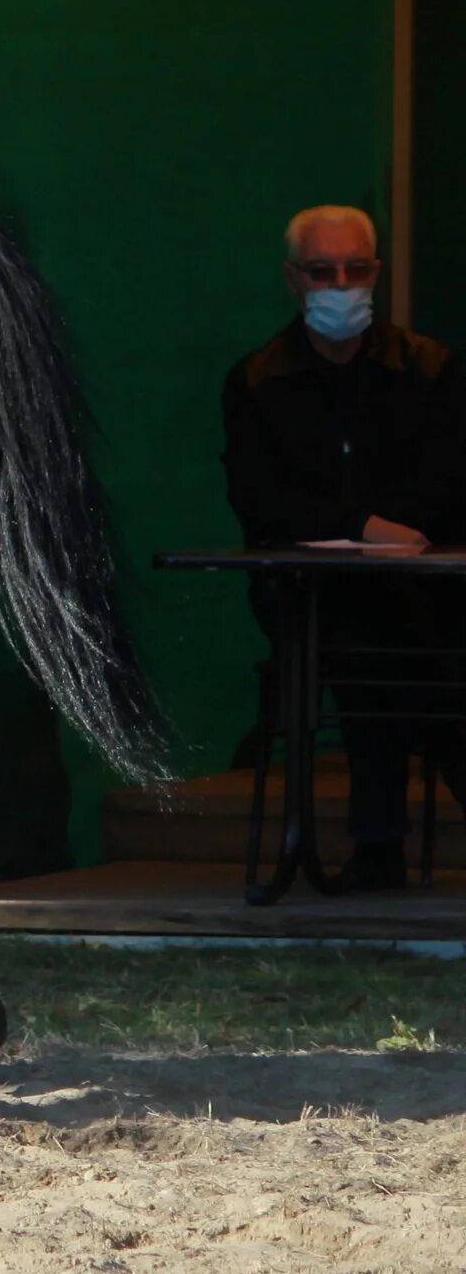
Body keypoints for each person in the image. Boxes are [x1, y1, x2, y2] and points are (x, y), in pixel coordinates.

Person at [220, 204, 466, 890]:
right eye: (323, 270)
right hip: (309, 592)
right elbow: (262, 499)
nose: (341, 283)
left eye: (356, 268)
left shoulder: (428, 368)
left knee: (399, 634)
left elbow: (449, 478)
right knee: (368, 636)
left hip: (425, 586)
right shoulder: (259, 381)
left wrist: (392, 532)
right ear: (293, 278)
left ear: (377, 273)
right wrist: (364, 528)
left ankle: (380, 844)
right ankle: (380, 841)